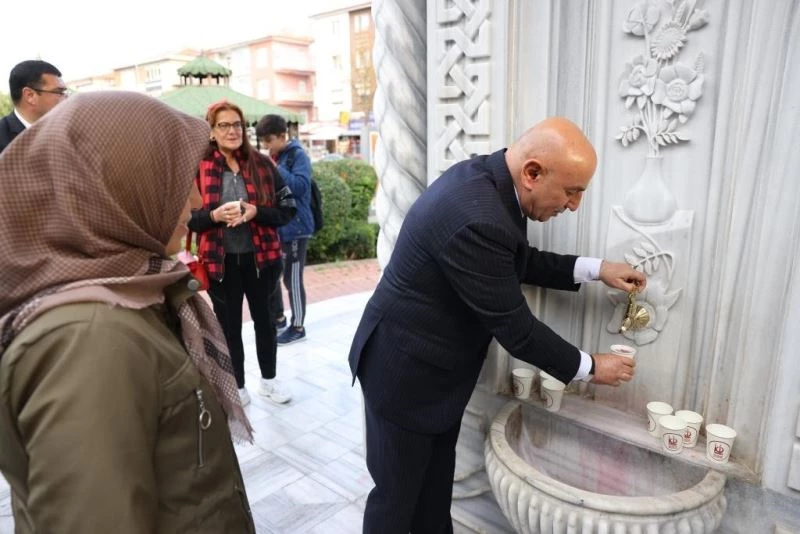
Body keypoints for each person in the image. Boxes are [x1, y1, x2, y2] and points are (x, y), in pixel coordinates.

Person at [348, 117, 647, 534]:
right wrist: (591, 367)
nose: (575, 204)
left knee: (432, 497)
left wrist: (597, 269)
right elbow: (517, 330)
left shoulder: (493, 184)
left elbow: (515, 261)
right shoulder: (478, 215)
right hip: (404, 375)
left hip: (433, 374)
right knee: (396, 504)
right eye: (572, 191)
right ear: (532, 173)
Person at [0, 92, 256, 532]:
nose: (195, 201)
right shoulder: (89, 339)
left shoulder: (130, 287)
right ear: (116, 187)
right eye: (175, 180)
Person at [191, 101, 296, 407]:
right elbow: (186, 220)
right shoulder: (199, 168)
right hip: (220, 262)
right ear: (211, 131)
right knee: (229, 327)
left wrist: (255, 211)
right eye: (224, 125)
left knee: (266, 321)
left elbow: (287, 209)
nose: (232, 131)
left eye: (237, 124)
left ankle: (269, 380)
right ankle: (237, 385)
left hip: (262, 259)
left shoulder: (263, 165)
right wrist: (213, 217)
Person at [257, 113, 315, 345]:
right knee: (279, 276)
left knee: (292, 279)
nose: (266, 146)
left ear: (283, 136)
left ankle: (298, 326)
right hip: (282, 227)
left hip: (297, 228)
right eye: (263, 142)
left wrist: (275, 168)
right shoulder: (279, 156)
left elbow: (301, 186)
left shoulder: (297, 155)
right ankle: (280, 319)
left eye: (269, 141)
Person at [0, 60, 67, 154]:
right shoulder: (3, 141)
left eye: (65, 93)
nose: (66, 99)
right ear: (30, 96)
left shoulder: (66, 130)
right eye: (59, 92)